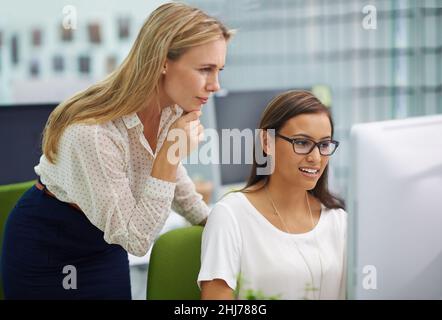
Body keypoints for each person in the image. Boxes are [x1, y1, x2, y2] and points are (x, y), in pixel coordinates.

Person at [1, 2, 234, 299]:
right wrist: (170, 154)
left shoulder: (173, 109)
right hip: (49, 245)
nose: (215, 85)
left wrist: (211, 220)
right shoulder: (92, 133)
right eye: (205, 70)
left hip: (104, 242)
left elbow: (172, 179)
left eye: (219, 70)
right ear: (163, 60)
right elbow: (137, 240)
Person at [198, 90, 347, 300]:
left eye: (323, 145)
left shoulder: (339, 221)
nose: (316, 158)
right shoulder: (230, 216)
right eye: (302, 143)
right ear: (267, 143)